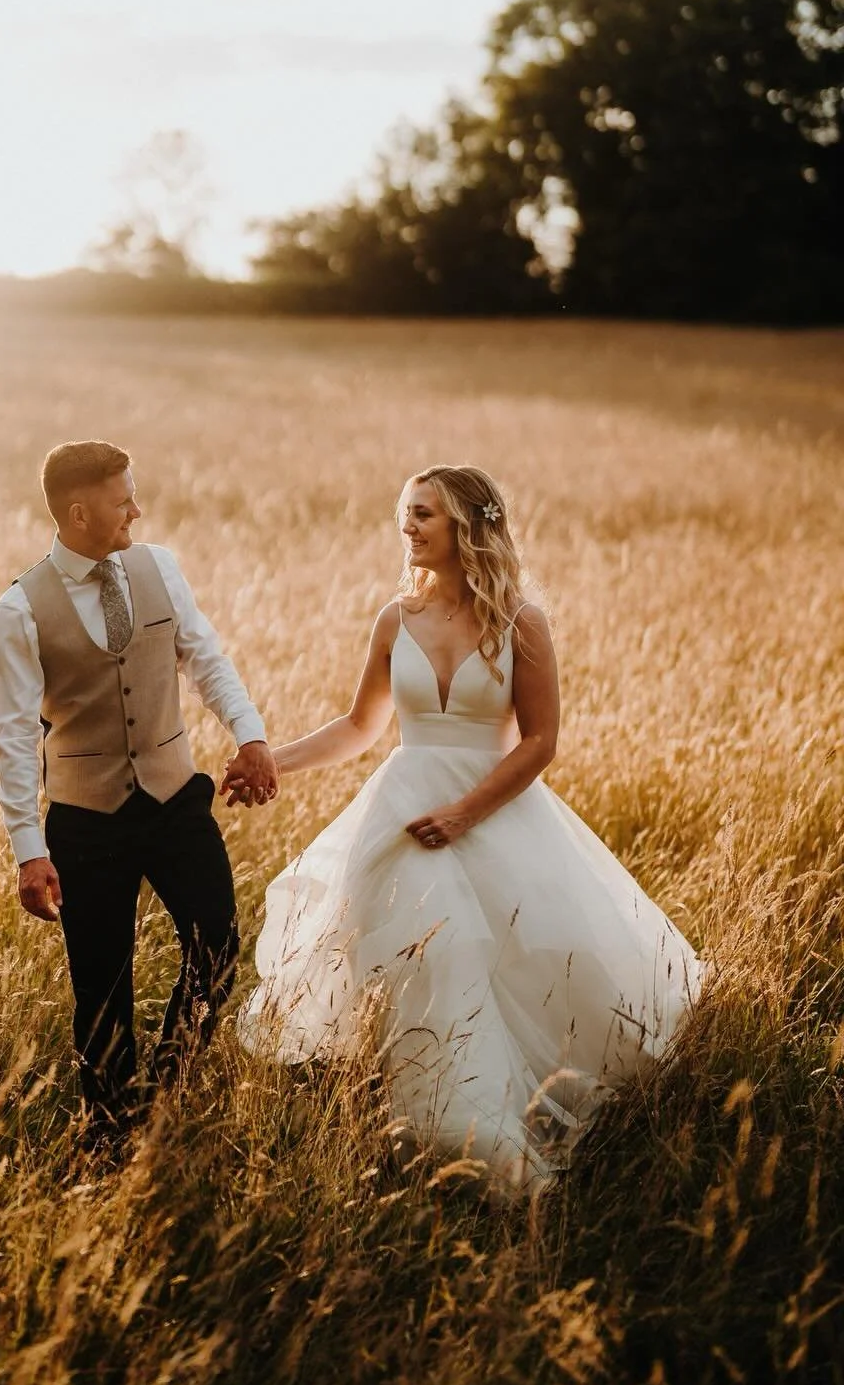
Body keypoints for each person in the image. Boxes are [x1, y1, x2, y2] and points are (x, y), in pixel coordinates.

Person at [232, 464, 701, 1190]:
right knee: (429, 962)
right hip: (404, 816)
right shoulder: (396, 618)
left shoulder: (522, 621)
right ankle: (437, 1125)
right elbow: (362, 726)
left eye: (424, 514)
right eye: (406, 515)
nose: (409, 527)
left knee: (518, 964)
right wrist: (271, 763)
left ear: (468, 527)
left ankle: (488, 1127)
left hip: (490, 812)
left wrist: (463, 814)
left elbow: (541, 742)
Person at [0, 440, 278, 1143]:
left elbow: (204, 655)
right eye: (124, 501)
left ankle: (165, 1088)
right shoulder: (21, 609)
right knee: (101, 988)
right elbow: (13, 738)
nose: (137, 511)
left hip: (176, 799)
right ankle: (109, 1133)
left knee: (218, 948)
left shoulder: (160, 567)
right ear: (79, 512)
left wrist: (251, 736)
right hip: (86, 822)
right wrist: (30, 851)